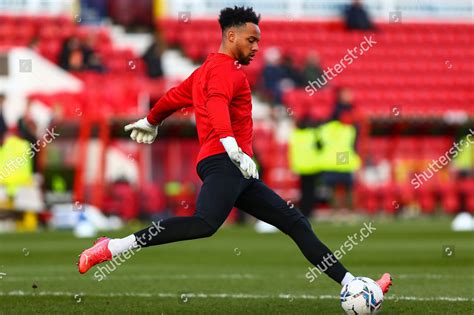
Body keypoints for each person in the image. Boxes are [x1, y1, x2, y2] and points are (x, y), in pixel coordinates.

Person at [77, 6, 391, 296]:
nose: (256, 47)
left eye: (258, 41)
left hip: (236, 167)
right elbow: (215, 104)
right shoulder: (228, 72)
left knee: (296, 223)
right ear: (231, 36)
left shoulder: (204, 71)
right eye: (251, 40)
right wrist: (232, 146)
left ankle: (350, 284)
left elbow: (174, 96)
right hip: (225, 161)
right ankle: (112, 247)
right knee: (204, 224)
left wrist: (151, 119)